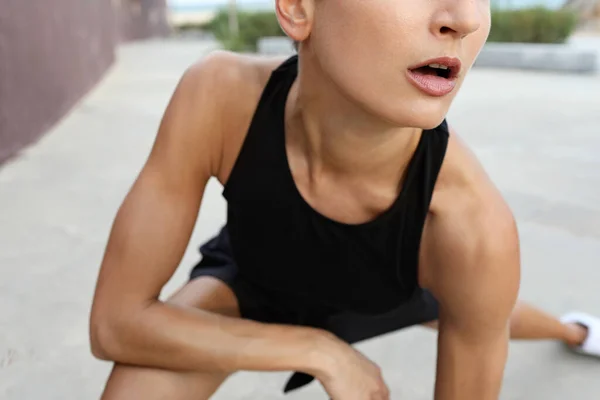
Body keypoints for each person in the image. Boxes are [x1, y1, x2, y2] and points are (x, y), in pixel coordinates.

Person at [89, 0, 600, 399]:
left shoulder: (472, 225)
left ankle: (575, 331)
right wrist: (320, 351)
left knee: (490, 310)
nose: (465, 19)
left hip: (391, 289)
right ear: (297, 8)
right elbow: (117, 323)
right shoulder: (219, 97)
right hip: (257, 278)